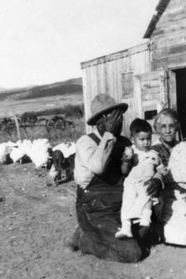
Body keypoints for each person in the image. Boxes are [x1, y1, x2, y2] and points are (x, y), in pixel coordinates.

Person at [68, 94, 157, 262]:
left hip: (120, 202)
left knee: (152, 215)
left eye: (120, 115)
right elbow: (98, 167)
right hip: (96, 206)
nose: (120, 120)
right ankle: (85, 239)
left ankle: (96, 233)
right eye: (114, 116)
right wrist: (109, 134)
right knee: (132, 253)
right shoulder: (86, 142)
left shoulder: (123, 141)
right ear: (101, 120)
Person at [115, 119, 166, 239]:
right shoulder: (132, 152)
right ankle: (126, 226)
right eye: (142, 139)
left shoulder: (154, 153)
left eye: (148, 138)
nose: (146, 142)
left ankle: (145, 222)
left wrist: (162, 171)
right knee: (127, 201)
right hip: (131, 182)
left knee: (147, 199)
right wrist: (127, 160)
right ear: (133, 140)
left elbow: (160, 167)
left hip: (145, 183)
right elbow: (124, 170)